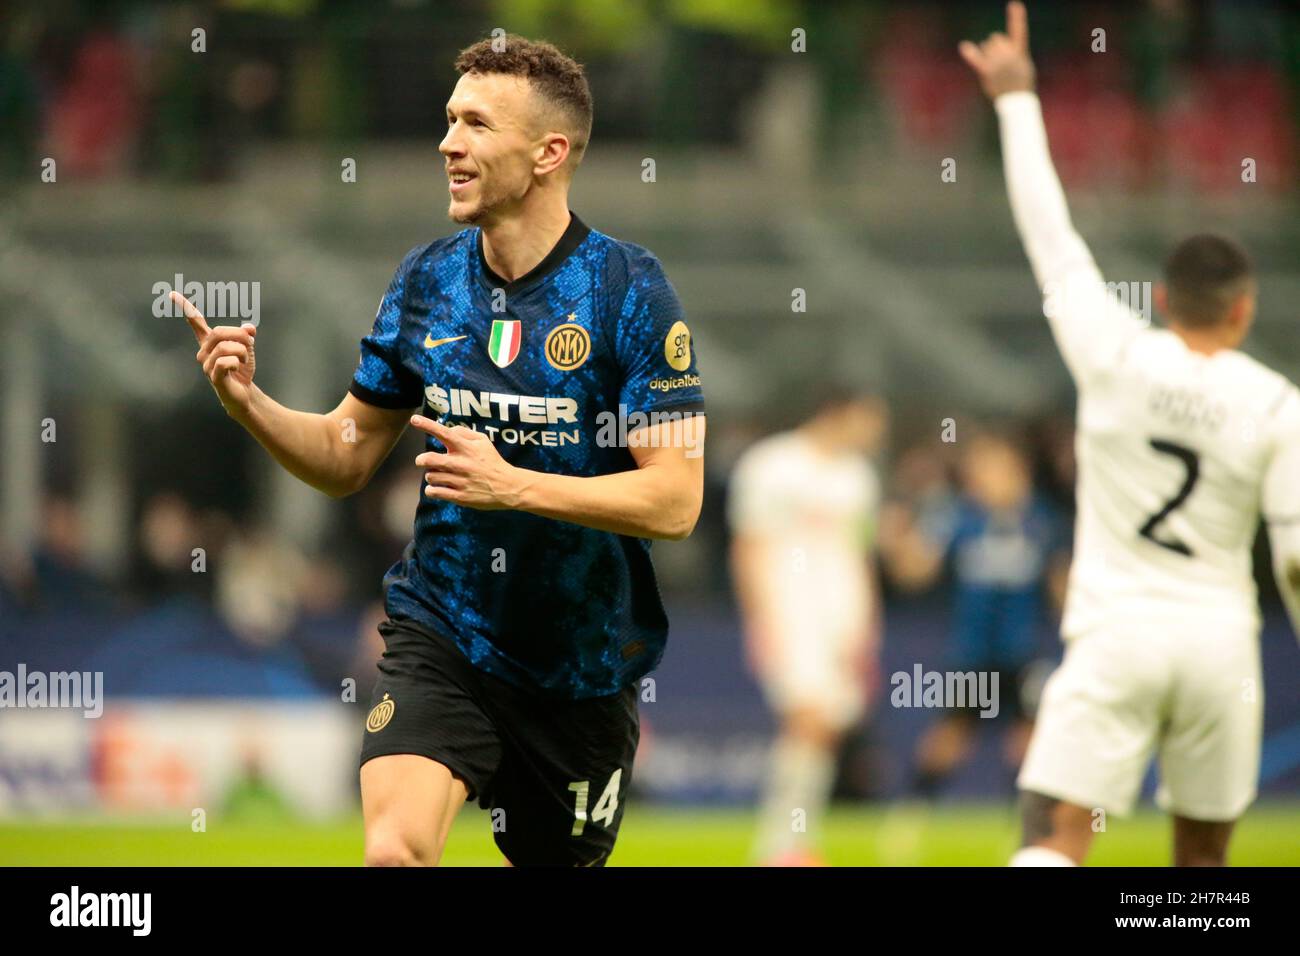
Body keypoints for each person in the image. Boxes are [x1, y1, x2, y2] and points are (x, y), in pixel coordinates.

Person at [174, 35, 706, 866]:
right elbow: (345, 454)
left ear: (548, 153)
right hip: (442, 636)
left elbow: (675, 502)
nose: (448, 143)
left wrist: (516, 486)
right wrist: (251, 406)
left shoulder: (628, 293)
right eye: (449, 120)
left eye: (476, 125)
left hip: (581, 669)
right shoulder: (428, 280)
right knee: (395, 852)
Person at [961, 2, 1300, 866]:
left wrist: (1016, 98)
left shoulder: (1113, 351)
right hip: (1221, 641)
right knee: (1202, 861)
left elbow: (1053, 238)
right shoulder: (1276, 403)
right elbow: (1295, 554)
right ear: (1244, 309)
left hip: (1116, 633)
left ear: (1161, 297)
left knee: (1052, 835)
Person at [728, 389, 887, 865]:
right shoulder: (771, 465)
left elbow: (861, 555)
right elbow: (748, 545)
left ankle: (797, 839)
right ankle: (781, 844)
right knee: (807, 719)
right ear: (837, 413)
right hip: (790, 611)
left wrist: (867, 627)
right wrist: (759, 618)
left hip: (843, 617)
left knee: (826, 729)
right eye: (869, 422)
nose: (875, 435)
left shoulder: (859, 477)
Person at [883, 431, 1067, 800]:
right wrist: (896, 540)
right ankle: (909, 821)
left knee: (1029, 744)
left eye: (990, 467)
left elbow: (1062, 587)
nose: (980, 477)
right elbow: (915, 573)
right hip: (972, 653)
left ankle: (1023, 832)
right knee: (949, 739)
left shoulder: (1041, 521)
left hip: (1023, 652)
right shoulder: (961, 520)